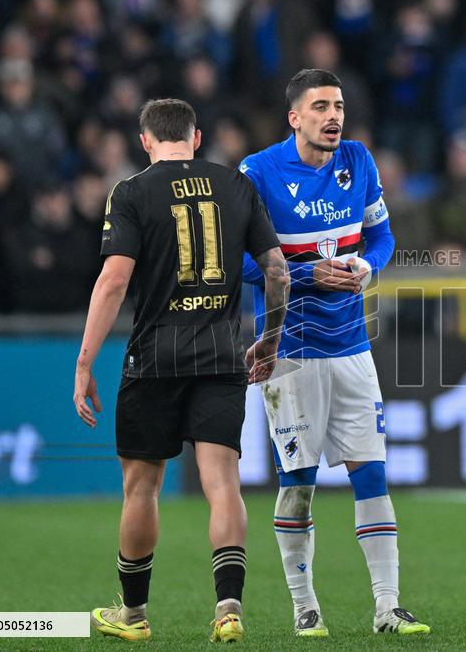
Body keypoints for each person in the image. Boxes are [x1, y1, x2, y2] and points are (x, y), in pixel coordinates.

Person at [72, 98, 289, 643]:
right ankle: (229, 608)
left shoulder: (130, 192)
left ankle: (133, 615)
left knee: (141, 488)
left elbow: (114, 280)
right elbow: (277, 271)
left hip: (154, 358)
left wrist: (84, 361)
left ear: (145, 141)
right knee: (223, 483)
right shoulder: (236, 185)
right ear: (196, 138)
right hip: (220, 354)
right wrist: (269, 338)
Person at [238, 69, 429, 638]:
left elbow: (382, 237)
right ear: (294, 117)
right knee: (298, 483)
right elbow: (240, 261)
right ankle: (305, 608)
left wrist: (366, 266)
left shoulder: (358, 160)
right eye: (320, 106)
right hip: (290, 349)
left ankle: (388, 607)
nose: (333, 116)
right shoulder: (258, 172)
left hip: (352, 345)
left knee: (372, 473)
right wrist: (305, 274)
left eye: (339, 106)